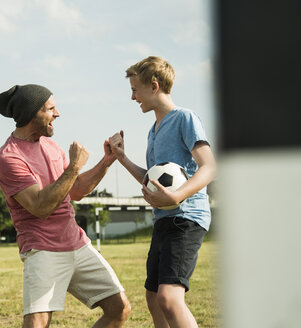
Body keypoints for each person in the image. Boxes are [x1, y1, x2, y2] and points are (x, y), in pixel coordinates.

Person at [0, 84, 131, 328]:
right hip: (42, 249)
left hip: (76, 244)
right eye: (51, 108)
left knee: (119, 309)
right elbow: (40, 206)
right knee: (38, 323)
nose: (57, 114)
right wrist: (74, 167)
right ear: (31, 113)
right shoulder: (9, 157)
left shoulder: (51, 146)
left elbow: (75, 190)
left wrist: (106, 162)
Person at [109, 56, 216, 328]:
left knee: (169, 298)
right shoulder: (152, 131)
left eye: (135, 89)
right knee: (154, 296)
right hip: (164, 220)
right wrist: (122, 158)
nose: (133, 97)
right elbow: (152, 179)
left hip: (187, 218)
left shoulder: (185, 118)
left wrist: (177, 196)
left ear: (154, 86)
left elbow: (209, 166)